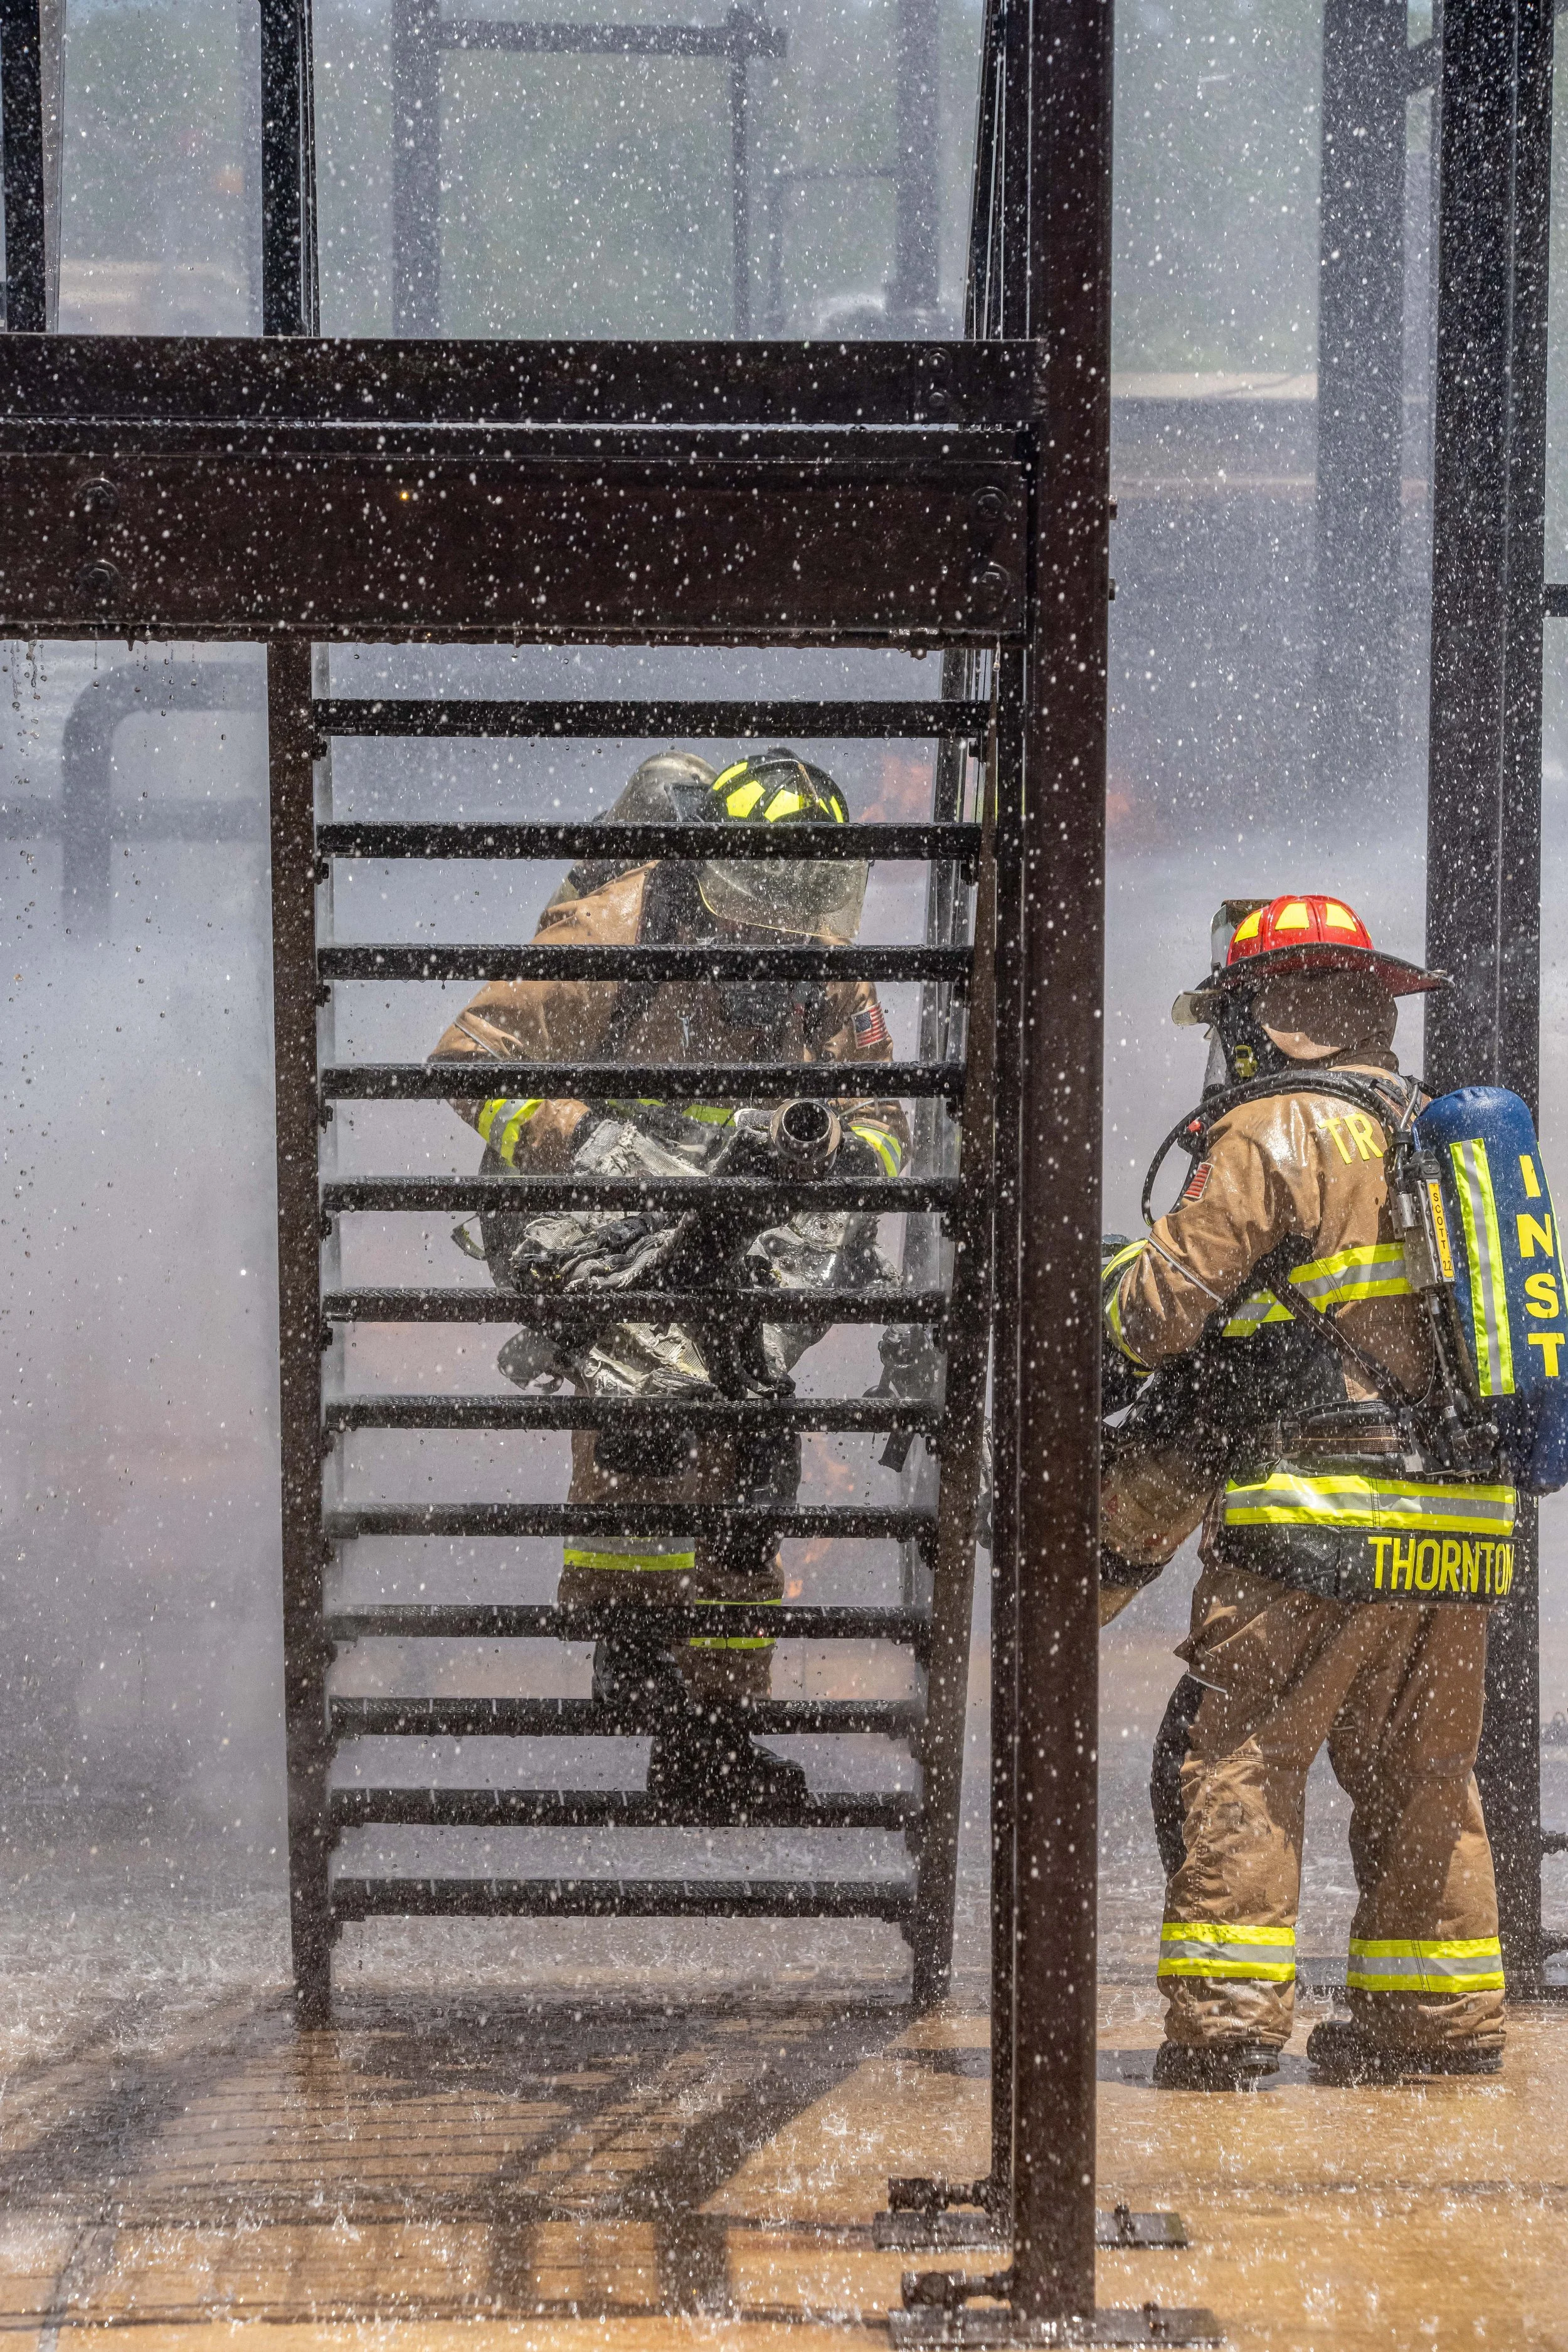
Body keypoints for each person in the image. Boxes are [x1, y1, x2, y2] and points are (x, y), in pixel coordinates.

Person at [428, 748, 909, 1815]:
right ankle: (631, 1645)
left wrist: (831, 1157)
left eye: (791, 925)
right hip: (592, 1217)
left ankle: (711, 1738)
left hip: (739, 1235)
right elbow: (469, 1058)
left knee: (753, 1465)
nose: (770, 947)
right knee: (644, 1420)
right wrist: (582, 1139)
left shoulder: (823, 960)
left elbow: (884, 1117)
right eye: (752, 921)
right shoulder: (618, 928)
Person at [1103, 895, 1509, 2087]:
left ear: (1264, 1016)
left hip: (1315, 1521)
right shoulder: (1438, 1132)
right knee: (1426, 1782)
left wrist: (1103, 1294)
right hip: (1459, 1530)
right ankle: (1435, 2021)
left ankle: (1229, 2028)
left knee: (1245, 1762)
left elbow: (1160, 1312)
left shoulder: (1275, 1127)